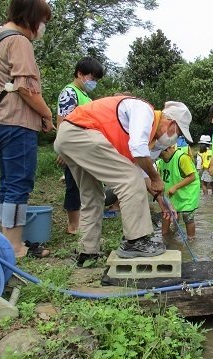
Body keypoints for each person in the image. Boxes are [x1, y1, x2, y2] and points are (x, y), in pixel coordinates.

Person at [54, 96, 193, 263]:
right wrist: (157, 178)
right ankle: (135, 242)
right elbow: (138, 157)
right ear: (172, 124)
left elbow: (142, 171)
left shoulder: (151, 139)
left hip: (68, 136)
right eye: (177, 134)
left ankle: (87, 252)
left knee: (92, 196)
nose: (174, 140)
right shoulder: (144, 111)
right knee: (129, 179)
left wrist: (159, 198)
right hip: (81, 130)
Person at [0, 0, 55, 258]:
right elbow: (26, 88)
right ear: (31, 17)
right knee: (19, 183)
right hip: (16, 122)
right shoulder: (19, 41)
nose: (43, 27)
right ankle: (14, 245)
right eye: (43, 21)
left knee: (7, 184)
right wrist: (46, 114)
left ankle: (5, 239)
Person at [56, 57, 104, 235]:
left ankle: (82, 223)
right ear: (80, 74)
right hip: (73, 146)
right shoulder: (69, 92)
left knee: (83, 186)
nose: (94, 83)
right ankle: (73, 225)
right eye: (93, 78)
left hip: (84, 148)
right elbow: (63, 120)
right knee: (73, 185)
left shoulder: (85, 95)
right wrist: (62, 149)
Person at [157, 145, 200, 240]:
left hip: (188, 193)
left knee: (188, 217)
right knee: (167, 213)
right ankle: (165, 237)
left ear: (168, 148)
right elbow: (160, 177)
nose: (160, 157)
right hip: (173, 192)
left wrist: (176, 187)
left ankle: (191, 239)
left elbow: (192, 177)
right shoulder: (161, 161)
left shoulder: (182, 158)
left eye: (161, 154)